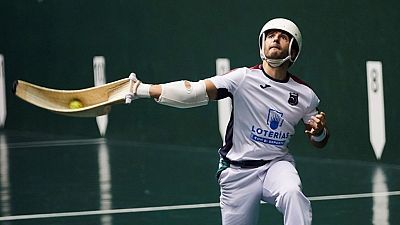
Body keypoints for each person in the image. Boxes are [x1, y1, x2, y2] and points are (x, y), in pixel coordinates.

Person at [128, 18, 329, 225]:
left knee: (292, 193)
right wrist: (141, 89)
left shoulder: (305, 94)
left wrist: (319, 132)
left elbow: (319, 140)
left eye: (283, 37)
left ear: (293, 50)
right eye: (270, 36)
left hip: (276, 165)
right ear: (262, 44)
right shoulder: (242, 78)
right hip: (237, 172)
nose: (275, 39)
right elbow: (194, 92)